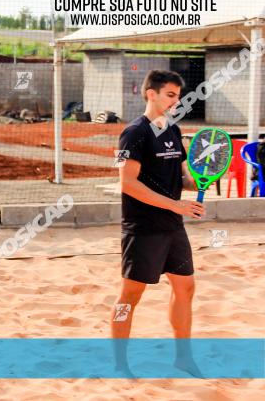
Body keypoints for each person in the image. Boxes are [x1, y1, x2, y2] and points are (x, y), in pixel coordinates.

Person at [111, 69, 203, 378]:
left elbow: (182, 177)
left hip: (173, 227)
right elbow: (128, 184)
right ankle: (120, 364)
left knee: (186, 287)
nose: (177, 101)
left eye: (178, 95)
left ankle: (184, 358)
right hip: (143, 229)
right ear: (151, 93)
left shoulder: (172, 130)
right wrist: (177, 204)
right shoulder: (134, 133)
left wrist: (200, 180)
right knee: (130, 298)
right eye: (170, 95)